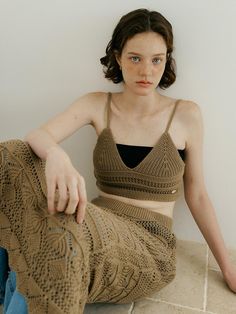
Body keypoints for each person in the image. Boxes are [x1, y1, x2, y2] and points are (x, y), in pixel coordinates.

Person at [0, 7, 236, 314]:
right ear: (118, 56)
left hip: (149, 246)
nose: (146, 71)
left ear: (167, 60)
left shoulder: (187, 115)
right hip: (94, 221)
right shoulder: (98, 104)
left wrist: (227, 268)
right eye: (135, 58)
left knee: (63, 232)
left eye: (157, 60)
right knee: (12, 154)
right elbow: (38, 135)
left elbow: (198, 195)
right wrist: (56, 154)